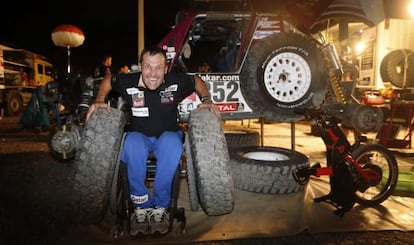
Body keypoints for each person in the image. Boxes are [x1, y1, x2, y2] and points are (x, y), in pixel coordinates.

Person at [86, 46, 220, 235]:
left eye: (159, 67)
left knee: (172, 143)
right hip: (140, 137)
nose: (153, 73)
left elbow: (196, 80)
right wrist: (99, 99)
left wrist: (206, 99)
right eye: (148, 67)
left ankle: (160, 208)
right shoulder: (129, 81)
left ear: (166, 68)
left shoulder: (176, 81)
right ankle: (141, 207)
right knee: (132, 142)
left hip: (168, 136)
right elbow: (109, 79)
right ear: (140, 66)